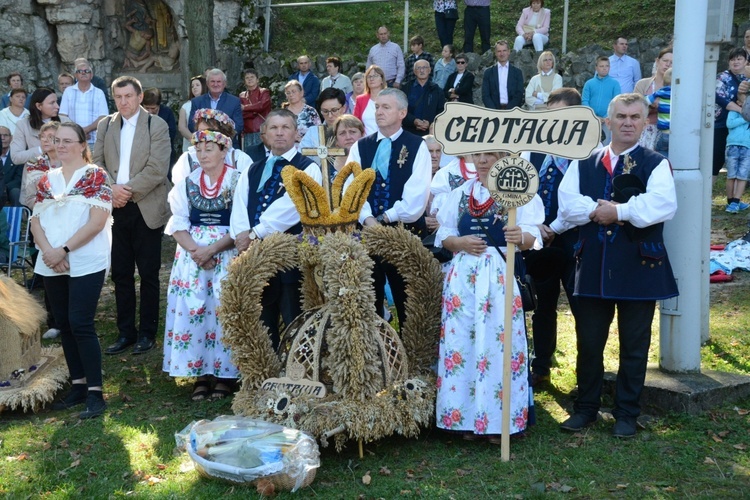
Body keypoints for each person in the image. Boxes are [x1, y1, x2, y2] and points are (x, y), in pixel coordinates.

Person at [558, 93, 678, 438]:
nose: (628, 122)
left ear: (644, 122)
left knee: (634, 344)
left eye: (635, 117)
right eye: (622, 116)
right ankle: (586, 408)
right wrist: (601, 210)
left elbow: (662, 205)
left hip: (640, 265)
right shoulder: (583, 163)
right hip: (593, 263)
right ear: (607, 122)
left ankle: (626, 412)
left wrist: (620, 212)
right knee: (589, 340)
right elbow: (568, 205)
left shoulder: (655, 163)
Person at [434, 150, 542, 441]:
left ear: (504, 158)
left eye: (491, 155)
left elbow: (534, 238)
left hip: (499, 276)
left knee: (498, 346)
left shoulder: (518, 194)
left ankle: (499, 422)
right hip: (463, 281)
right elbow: (443, 235)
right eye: (478, 155)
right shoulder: (460, 193)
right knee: (463, 344)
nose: (483, 161)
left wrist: (521, 237)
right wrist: (459, 242)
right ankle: (465, 420)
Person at [31, 121, 113, 420]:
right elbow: (36, 221)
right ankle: (77, 385)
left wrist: (63, 250)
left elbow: (96, 222)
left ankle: (95, 392)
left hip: (84, 259)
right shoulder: (46, 180)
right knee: (64, 323)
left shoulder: (95, 176)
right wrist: (49, 252)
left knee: (81, 322)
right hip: (52, 261)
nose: (61, 145)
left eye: (67, 140)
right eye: (56, 140)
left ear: (82, 145)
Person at [230, 109, 322, 350]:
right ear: (264, 134)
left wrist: (255, 233)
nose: (279, 133)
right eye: (274, 128)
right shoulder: (253, 169)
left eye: (285, 127)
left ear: (296, 134)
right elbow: (240, 204)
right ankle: (266, 374)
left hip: (290, 259)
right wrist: (242, 237)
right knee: (262, 321)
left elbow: (293, 207)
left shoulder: (308, 168)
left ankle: (297, 374)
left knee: (295, 320)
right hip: (255, 257)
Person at [93, 76, 171, 356]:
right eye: (119, 97)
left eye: (128, 96)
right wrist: (111, 189)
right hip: (115, 208)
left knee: (149, 273)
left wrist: (126, 190)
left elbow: (157, 167)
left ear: (139, 97)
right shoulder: (106, 124)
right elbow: (97, 162)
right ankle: (126, 332)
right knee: (121, 273)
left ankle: (147, 333)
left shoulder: (156, 124)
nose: (123, 102)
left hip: (146, 206)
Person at [163, 130, 241, 401]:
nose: (203, 154)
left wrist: (213, 249)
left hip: (226, 253)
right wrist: (197, 252)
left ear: (224, 150)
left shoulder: (237, 180)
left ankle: (225, 375)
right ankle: (200, 374)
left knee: (222, 311)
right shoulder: (186, 183)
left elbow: (241, 226)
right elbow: (178, 223)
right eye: (199, 149)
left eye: (209, 148)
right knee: (196, 310)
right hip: (192, 257)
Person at [347, 88, 431, 329]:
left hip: (405, 235)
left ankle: (412, 361)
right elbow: (351, 191)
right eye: (377, 107)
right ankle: (375, 360)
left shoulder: (417, 146)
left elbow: (416, 200)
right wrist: (367, 219)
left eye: (386, 107)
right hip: (365, 236)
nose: (379, 112)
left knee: (409, 306)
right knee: (367, 304)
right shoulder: (360, 147)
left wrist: (384, 218)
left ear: (402, 112)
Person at [521, 87, 582, 387]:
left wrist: (554, 226)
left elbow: (581, 200)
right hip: (538, 238)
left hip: (572, 238)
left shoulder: (583, 152)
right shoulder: (533, 149)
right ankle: (541, 367)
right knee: (542, 306)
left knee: (581, 307)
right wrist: (536, 227)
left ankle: (586, 375)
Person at [172, 108, 252, 191]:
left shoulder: (239, 159)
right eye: (200, 132)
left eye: (210, 132)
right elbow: (180, 191)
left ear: (224, 133)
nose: (204, 136)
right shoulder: (188, 159)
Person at [714, 48, 748, 183]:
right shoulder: (722, 77)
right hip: (722, 125)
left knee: (743, 164)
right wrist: (742, 111)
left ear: (746, 61)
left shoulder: (748, 78)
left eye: (739, 59)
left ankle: (734, 199)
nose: (735, 62)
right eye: (732, 59)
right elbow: (720, 98)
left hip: (744, 128)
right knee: (715, 161)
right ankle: (706, 196)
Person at [188, 68, 243, 148]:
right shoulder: (197, 102)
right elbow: (191, 125)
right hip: (203, 147)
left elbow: (238, 126)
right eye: (212, 81)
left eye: (219, 82)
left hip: (227, 147)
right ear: (207, 83)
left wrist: (218, 134)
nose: (215, 84)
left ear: (224, 84)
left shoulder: (234, 101)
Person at [59, 60, 109, 147]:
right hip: (72, 141)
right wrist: (78, 132)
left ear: (91, 75)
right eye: (80, 71)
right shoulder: (68, 91)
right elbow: (63, 115)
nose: (83, 73)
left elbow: (103, 117)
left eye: (87, 71)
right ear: (75, 75)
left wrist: (86, 129)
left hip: (94, 141)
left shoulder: (99, 93)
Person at [10, 88, 61, 166]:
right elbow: (16, 157)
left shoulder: (65, 122)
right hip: (35, 174)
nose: (57, 106)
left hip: (63, 172)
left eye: (56, 102)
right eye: (52, 103)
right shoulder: (23, 124)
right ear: (38, 106)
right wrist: (41, 149)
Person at [634, 48, 673, 150]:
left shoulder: (679, 88)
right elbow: (634, 110)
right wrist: (651, 106)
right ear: (657, 61)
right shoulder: (642, 84)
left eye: (672, 62)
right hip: (645, 134)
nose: (668, 65)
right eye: (665, 61)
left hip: (670, 134)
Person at [21, 121, 61, 210]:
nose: (44, 140)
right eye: (42, 136)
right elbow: (30, 198)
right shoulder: (33, 163)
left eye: (50, 137)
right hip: (41, 213)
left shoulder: (70, 162)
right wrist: (48, 207)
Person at [299, 87, 348, 159]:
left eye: (334, 110)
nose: (330, 115)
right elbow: (301, 157)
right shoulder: (312, 132)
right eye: (325, 111)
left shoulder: (352, 132)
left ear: (343, 108)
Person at [582, 56, 621, 145]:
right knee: (589, 143)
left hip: (607, 120)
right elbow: (585, 101)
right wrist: (593, 116)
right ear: (596, 67)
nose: (604, 68)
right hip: (591, 119)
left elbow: (616, 102)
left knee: (605, 144)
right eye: (601, 66)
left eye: (606, 66)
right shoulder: (589, 83)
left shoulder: (615, 84)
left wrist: (606, 117)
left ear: (609, 67)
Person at [402, 60, 446, 137]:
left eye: (425, 67)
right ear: (414, 71)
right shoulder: (406, 88)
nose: (422, 70)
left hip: (430, 133)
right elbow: (400, 109)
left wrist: (430, 123)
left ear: (429, 70)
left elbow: (442, 111)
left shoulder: (437, 90)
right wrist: (414, 121)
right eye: (419, 68)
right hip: (409, 132)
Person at [724, 86, 750, 213]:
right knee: (732, 175)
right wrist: (744, 117)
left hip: (747, 147)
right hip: (733, 146)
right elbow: (730, 124)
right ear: (739, 103)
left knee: (742, 175)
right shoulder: (734, 112)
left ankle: (736, 201)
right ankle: (730, 201)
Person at [482, 40, 524, 110]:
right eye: (499, 51)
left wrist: (509, 110)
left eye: (504, 50)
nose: (502, 54)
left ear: (509, 52)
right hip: (493, 111)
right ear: (495, 53)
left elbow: (519, 93)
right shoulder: (488, 72)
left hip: (512, 111)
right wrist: (494, 110)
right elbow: (485, 95)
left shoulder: (517, 72)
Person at [142, 88, 178, 166]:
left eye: (153, 108)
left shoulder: (167, 112)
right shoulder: (138, 113)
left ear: (159, 105)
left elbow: (172, 133)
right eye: (147, 108)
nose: (150, 111)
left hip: (164, 153)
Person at [239, 68, 271, 154]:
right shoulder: (242, 95)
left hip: (261, 129)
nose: (249, 79)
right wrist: (254, 112)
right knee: (249, 155)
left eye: (252, 77)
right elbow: (241, 113)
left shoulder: (264, 92)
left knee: (262, 155)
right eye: (247, 78)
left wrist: (245, 108)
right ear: (244, 81)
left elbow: (262, 105)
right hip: (247, 130)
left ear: (257, 80)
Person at [281, 80, 321, 145]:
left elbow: (319, 132)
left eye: (293, 92)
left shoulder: (311, 111)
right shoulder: (283, 113)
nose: (291, 95)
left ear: (301, 93)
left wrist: (302, 139)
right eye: (288, 93)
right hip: (287, 147)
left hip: (308, 148)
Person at [645, 68, 672, 159]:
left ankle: (665, 165)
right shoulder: (681, 94)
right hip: (677, 132)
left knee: (661, 151)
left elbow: (646, 101)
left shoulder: (661, 92)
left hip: (664, 131)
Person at [353, 65, 387, 135]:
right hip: (366, 141)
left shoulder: (390, 98)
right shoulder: (360, 99)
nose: (372, 79)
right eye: (369, 76)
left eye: (375, 76)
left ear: (382, 80)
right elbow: (355, 123)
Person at [331, 114, 365, 182]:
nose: (348, 137)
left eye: (352, 132)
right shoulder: (326, 166)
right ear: (336, 140)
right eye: (342, 133)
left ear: (362, 135)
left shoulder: (371, 160)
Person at [179, 75, 207, 152]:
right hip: (190, 145)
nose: (194, 88)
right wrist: (194, 139)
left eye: (197, 85)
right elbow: (182, 127)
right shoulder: (185, 106)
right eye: (192, 86)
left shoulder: (209, 103)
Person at [1, 126, 22, 206]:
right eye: (0, 136)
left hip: (9, 188)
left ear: (11, 138)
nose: (2, 138)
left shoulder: (17, 155)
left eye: (5, 135)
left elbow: (19, 178)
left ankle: (18, 217)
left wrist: (4, 188)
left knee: (16, 192)